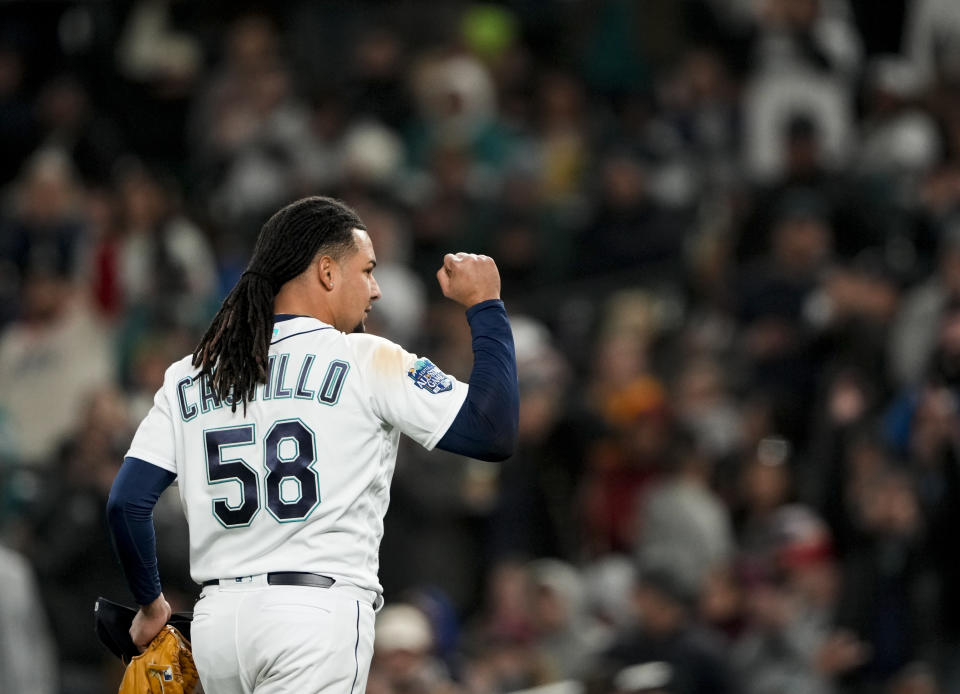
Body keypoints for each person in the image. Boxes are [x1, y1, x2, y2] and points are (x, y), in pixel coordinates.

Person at [106, 196, 518, 693]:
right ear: (326, 271)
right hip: (316, 615)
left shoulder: (192, 374)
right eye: (366, 270)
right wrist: (486, 306)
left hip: (220, 627)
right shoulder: (364, 359)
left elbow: (127, 503)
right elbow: (492, 431)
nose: (376, 289)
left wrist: (152, 605)